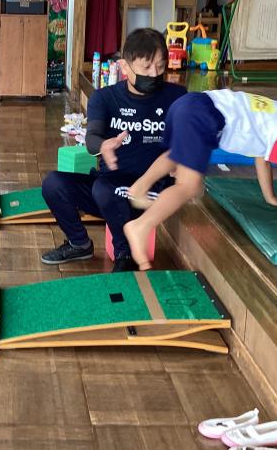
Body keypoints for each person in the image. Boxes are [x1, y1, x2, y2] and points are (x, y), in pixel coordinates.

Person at [124, 85, 277, 270]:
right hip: (202, 114)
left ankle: (139, 188)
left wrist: (270, 197)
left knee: (176, 155)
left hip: (189, 103)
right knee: (190, 186)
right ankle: (141, 226)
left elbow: (261, 158)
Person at [41, 28, 187, 272]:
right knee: (54, 184)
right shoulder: (105, 98)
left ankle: (125, 255)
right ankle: (79, 244)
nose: (154, 74)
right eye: (146, 68)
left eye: (160, 67)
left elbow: (187, 142)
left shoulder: (177, 97)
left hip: (152, 191)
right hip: (109, 190)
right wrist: (103, 145)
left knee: (104, 189)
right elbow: (92, 138)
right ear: (124, 67)